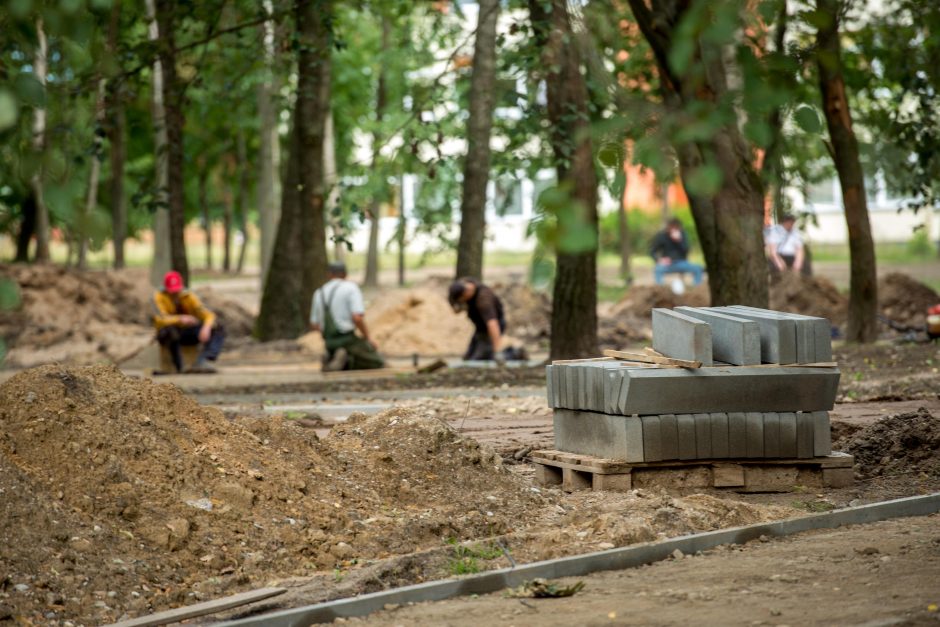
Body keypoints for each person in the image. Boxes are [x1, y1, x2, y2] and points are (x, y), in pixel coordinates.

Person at [310, 261, 384, 371]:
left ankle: (331, 357)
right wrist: (367, 337)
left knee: (344, 357)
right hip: (346, 339)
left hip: (328, 342)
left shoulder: (319, 292)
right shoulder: (350, 288)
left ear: (329, 274)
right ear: (345, 274)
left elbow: (314, 324)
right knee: (376, 362)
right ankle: (344, 356)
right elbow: (357, 318)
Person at [153, 270, 225, 374]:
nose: (174, 294)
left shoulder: (189, 296)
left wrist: (206, 327)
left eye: (177, 291)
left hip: (187, 333)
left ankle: (205, 360)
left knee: (217, 327)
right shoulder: (159, 297)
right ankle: (179, 366)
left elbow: (208, 314)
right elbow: (160, 319)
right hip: (169, 334)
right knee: (170, 331)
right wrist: (180, 319)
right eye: (171, 291)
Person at [448, 278, 526, 362]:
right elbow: (454, 305)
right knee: (468, 357)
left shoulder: (484, 301)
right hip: (480, 328)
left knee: (478, 360)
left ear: (466, 293)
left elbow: (492, 324)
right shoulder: (467, 283)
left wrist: (497, 351)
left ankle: (515, 353)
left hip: (491, 328)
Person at [649, 218, 704, 286]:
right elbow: (652, 251)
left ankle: (696, 287)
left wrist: (679, 241)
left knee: (698, 269)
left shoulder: (683, 235)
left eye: (676, 228)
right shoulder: (662, 236)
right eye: (672, 228)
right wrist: (658, 260)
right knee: (658, 269)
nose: (674, 230)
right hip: (667, 264)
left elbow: (686, 250)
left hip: (682, 262)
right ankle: (660, 289)